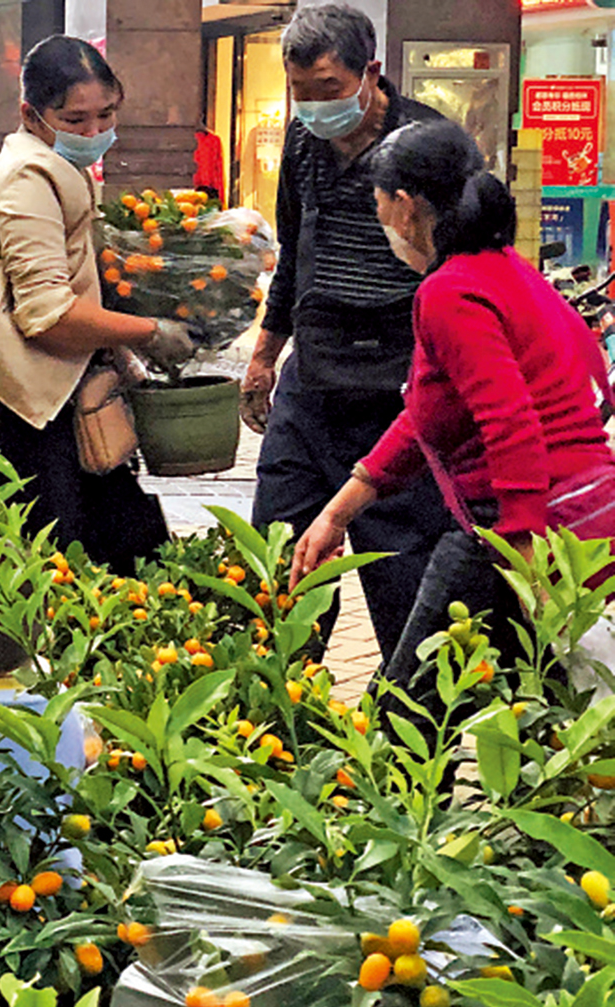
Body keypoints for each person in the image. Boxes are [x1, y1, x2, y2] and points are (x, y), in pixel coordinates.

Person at [290, 119, 615, 718]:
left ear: (406, 206)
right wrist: (340, 511)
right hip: (577, 516)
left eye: (379, 204)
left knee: (405, 711)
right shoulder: (503, 268)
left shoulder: (450, 292)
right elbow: (430, 416)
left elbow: (510, 421)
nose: (381, 218)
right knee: (538, 711)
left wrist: (521, 553)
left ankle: (395, 807)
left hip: (524, 527)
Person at [241, 3, 453, 662]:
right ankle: (282, 730)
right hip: (312, 388)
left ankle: (418, 760)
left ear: (372, 73)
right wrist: (264, 357)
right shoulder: (304, 142)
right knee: (280, 574)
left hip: (398, 388)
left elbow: (461, 280)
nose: (311, 107)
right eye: (298, 92)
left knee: (406, 589)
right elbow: (293, 259)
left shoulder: (428, 149)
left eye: (328, 91)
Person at [0, 34, 194, 575]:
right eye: (76, 120)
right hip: (18, 410)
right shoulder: (26, 179)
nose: (95, 132)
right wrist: (148, 331)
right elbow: (48, 316)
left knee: (103, 561)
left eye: (106, 115)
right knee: (36, 575)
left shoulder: (58, 166)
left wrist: (121, 352)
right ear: (31, 113)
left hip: (52, 398)